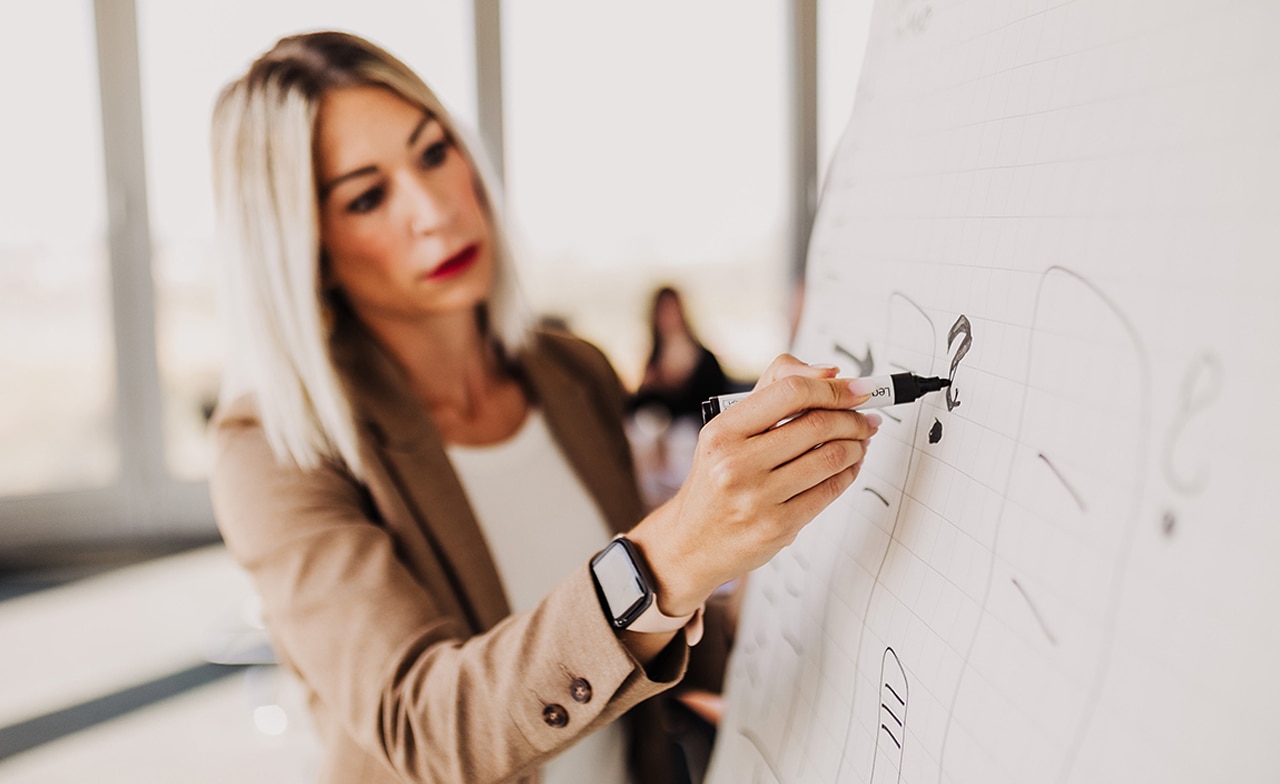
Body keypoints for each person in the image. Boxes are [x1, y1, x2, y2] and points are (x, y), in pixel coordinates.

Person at [207, 31, 880, 784]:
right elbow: (429, 729)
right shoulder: (270, 449)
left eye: (433, 153)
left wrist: (762, 559)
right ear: (307, 246)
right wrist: (674, 553)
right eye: (367, 197)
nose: (433, 210)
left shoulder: (572, 373)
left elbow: (647, 648)